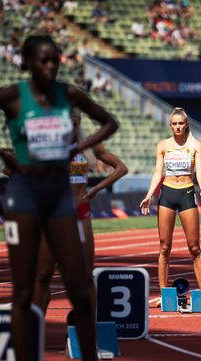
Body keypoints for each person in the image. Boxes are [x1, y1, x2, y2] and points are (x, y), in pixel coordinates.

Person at [0, 35, 124, 361]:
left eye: (55, 60)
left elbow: (110, 122)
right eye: (43, 61)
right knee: (24, 290)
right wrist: (0, 152)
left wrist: (79, 146)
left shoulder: (68, 94)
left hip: (59, 198)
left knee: (81, 290)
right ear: (27, 62)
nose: (51, 66)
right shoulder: (12, 96)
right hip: (24, 196)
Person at [33, 108, 128, 314]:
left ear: (80, 120)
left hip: (80, 211)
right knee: (43, 274)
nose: (72, 122)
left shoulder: (91, 145)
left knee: (85, 275)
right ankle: (35, 326)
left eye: (76, 119)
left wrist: (96, 189)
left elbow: (121, 168)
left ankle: (90, 330)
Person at [140, 107, 201, 307]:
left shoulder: (195, 145)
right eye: (175, 124)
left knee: (194, 247)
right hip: (167, 194)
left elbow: (199, 169)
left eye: (181, 123)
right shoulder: (163, 145)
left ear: (186, 124)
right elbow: (157, 172)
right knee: (164, 247)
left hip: (187, 193)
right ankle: (165, 294)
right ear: (170, 125)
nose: (178, 127)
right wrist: (148, 195)